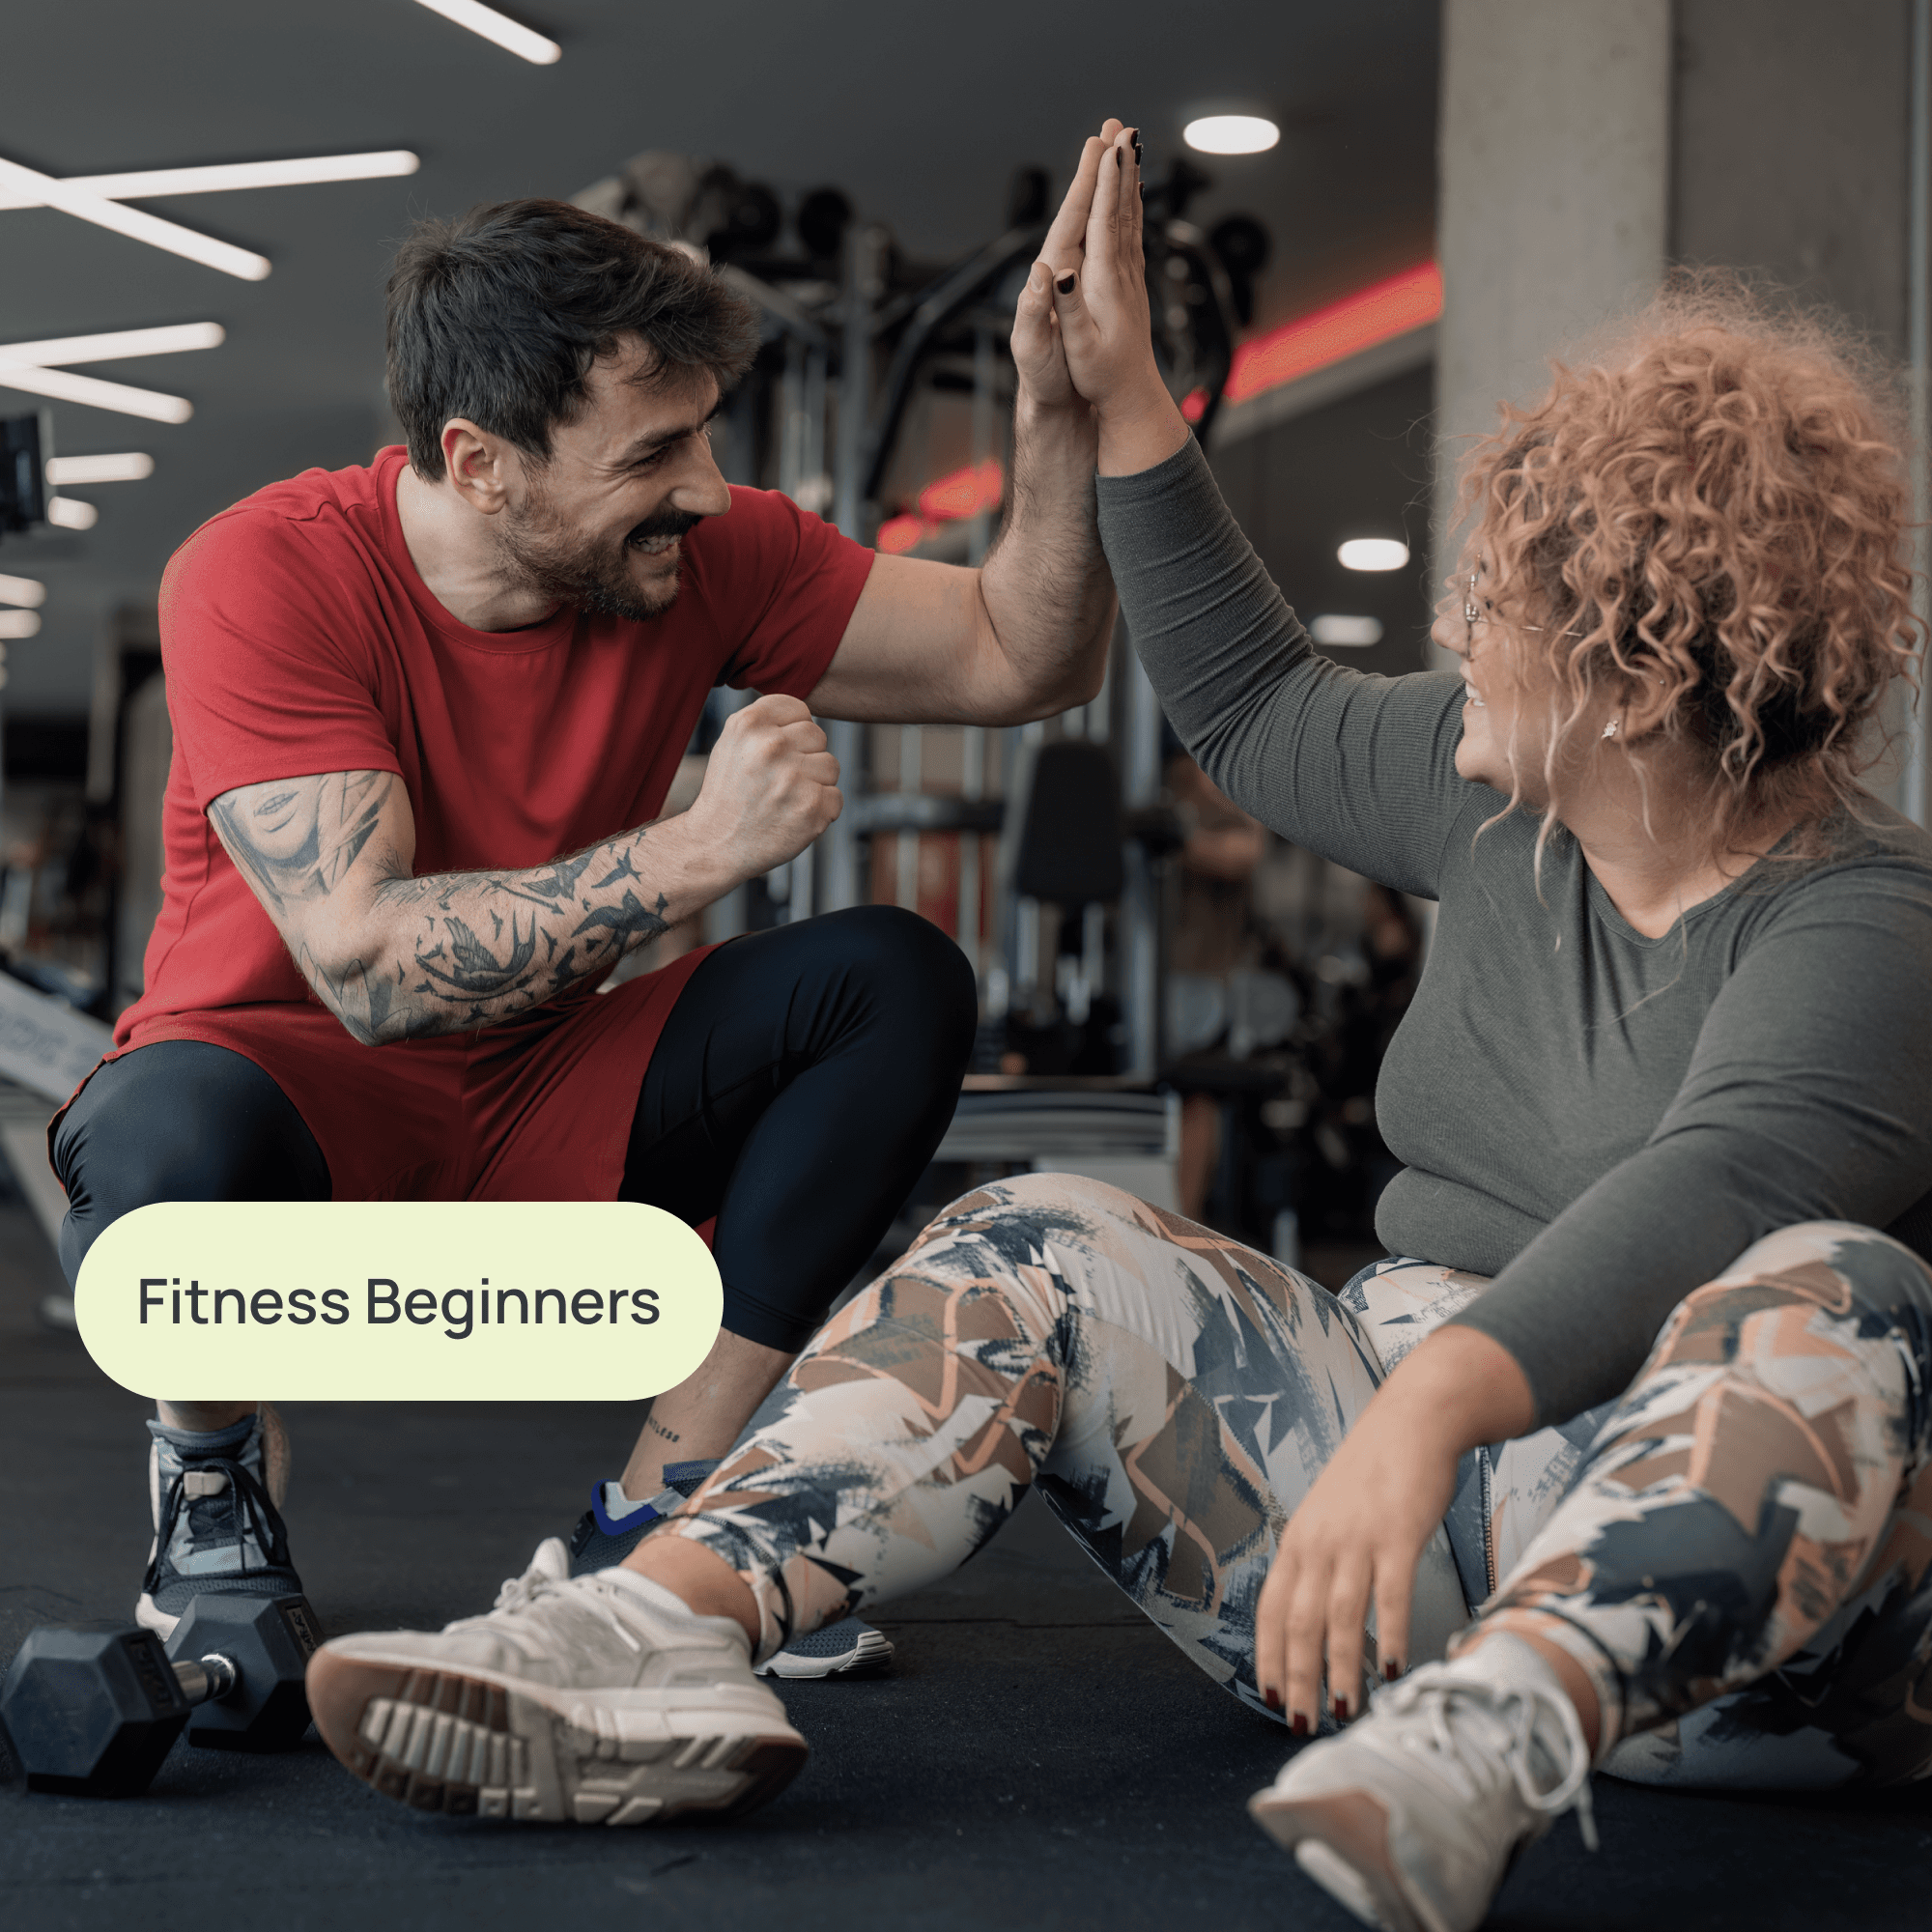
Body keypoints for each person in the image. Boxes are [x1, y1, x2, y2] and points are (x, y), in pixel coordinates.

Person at [304, 121, 1932, 1932]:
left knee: (1842, 1290)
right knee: (1039, 1237)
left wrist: (1421, 1420)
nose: (1455, 625)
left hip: (1740, 1626)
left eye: (1506, 603)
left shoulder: (1872, 924)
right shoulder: (1496, 799)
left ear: (1641, 676)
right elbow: (1247, 695)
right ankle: (651, 1626)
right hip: (1389, 1554)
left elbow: (1715, 1185)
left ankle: (1509, 1723)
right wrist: (1118, 395)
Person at [48, 175, 1119, 1679]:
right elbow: (361, 970)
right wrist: (700, 847)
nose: (704, 482)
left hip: (543, 1093)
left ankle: (662, 1516)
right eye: (657, 450)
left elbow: (1022, 656)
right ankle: (212, 1480)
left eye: (703, 433)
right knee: (171, 1146)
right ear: (481, 463)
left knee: (890, 978)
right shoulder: (265, 570)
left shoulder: (699, 554)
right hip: (289, 1094)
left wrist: (1062, 423)